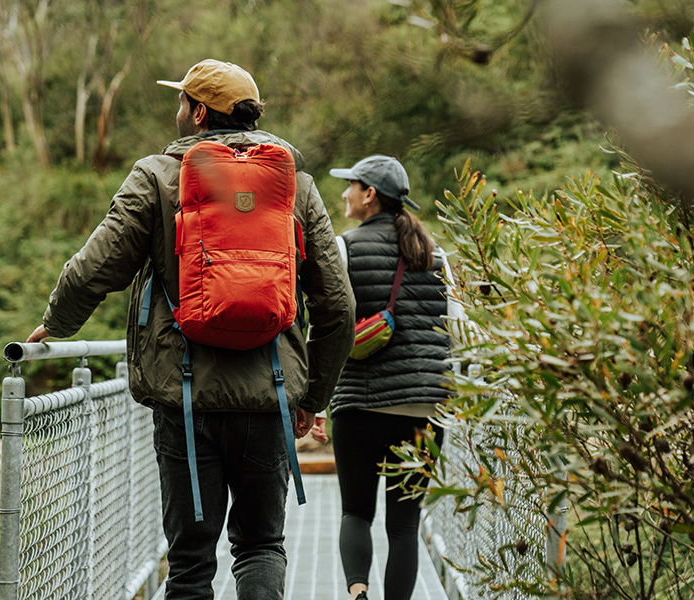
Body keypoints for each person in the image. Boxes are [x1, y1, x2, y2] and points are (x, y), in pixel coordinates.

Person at [25, 59, 355, 600]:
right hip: (269, 397)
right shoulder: (295, 185)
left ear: (200, 113)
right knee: (260, 546)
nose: (176, 111)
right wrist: (311, 397)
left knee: (190, 564)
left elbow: (96, 266)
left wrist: (55, 323)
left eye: (182, 102)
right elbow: (337, 305)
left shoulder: (157, 176)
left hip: (184, 399)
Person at [327, 156, 450, 600]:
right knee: (404, 526)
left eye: (351, 185)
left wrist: (312, 396)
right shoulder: (436, 257)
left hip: (360, 405)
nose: (345, 193)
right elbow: (455, 331)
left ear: (370, 195)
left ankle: (358, 595)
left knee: (356, 513)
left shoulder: (344, 248)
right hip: (423, 409)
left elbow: (327, 328)